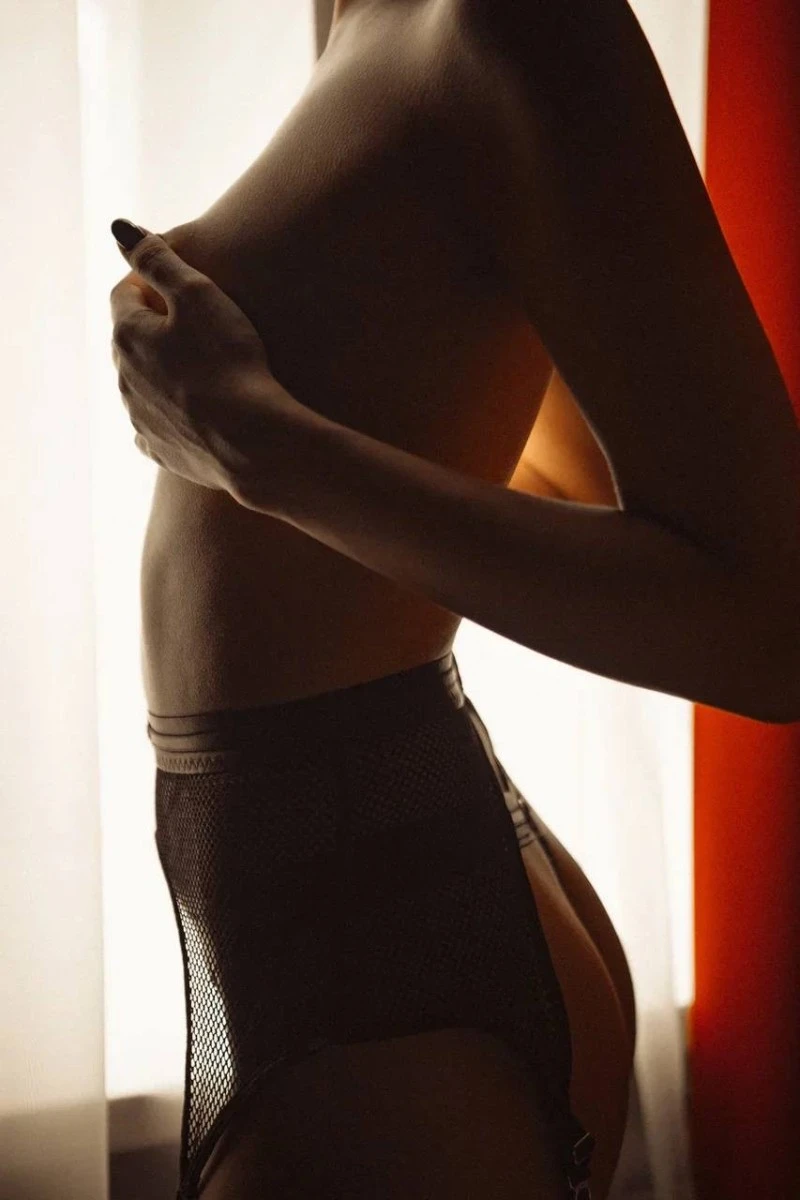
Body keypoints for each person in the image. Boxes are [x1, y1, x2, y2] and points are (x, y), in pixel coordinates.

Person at [110, 0, 800, 1197]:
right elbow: (567, 474)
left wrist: (260, 448)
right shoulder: (359, 13)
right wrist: (278, 429)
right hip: (360, 848)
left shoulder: (521, 22)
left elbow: (771, 633)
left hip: (375, 930)